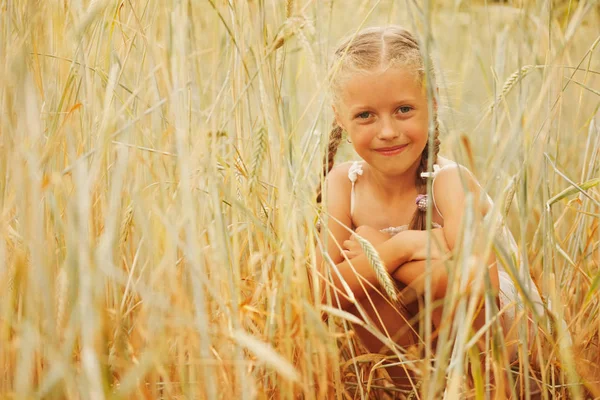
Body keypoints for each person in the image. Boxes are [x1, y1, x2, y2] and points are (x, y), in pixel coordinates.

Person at [314, 25, 544, 396]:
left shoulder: (448, 181)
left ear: (432, 105)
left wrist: (385, 248)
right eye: (365, 116)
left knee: (435, 276)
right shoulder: (344, 184)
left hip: (497, 349)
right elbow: (321, 291)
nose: (387, 131)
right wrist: (398, 251)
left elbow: (472, 282)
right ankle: (413, 391)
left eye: (404, 109)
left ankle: (476, 387)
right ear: (340, 117)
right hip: (411, 353)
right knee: (363, 286)